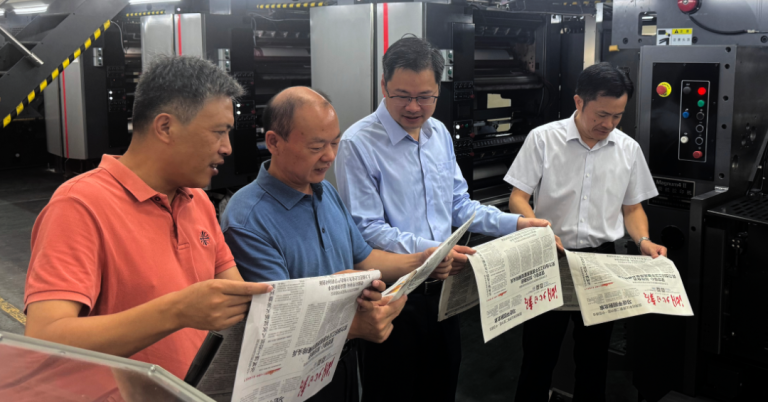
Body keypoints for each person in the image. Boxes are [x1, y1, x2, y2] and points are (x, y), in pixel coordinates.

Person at [334, 36, 554, 402]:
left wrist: (515, 224)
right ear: (383, 85)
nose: (414, 107)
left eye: (426, 96)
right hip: (392, 294)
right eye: (402, 95)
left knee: (441, 385)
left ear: (439, 89)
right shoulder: (359, 143)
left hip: (444, 293)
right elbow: (367, 229)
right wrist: (434, 253)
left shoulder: (439, 135)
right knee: (392, 392)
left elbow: (460, 206)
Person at [23, 56, 273, 379]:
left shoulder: (196, 200)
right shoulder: (79, 206)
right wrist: (177, 311)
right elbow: (45, 341)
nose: (227, 147)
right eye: (218, 132)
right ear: (165, 127)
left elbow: (236, 296)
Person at [221, 86, 453, 402]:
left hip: (340, 362)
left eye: (334, 142)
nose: (330, 155)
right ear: (274, 142)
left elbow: (364, 258)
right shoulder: (249, 217)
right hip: (291, 380)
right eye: (317, 146)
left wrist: (424, 261)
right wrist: (355, 326)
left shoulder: (325, 192)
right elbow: (280, 324)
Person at [505, 62, 666, 402]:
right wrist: (537, 230)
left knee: (593, 358)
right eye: (601, 114)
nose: (608, 125)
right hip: (550, 254)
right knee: (538, 355)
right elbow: (517, 198)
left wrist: (644, 240)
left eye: (617, 116)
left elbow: (632, 207)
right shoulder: (543, 139)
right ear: (579, 102)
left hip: (600, 261)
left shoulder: (628, 150)